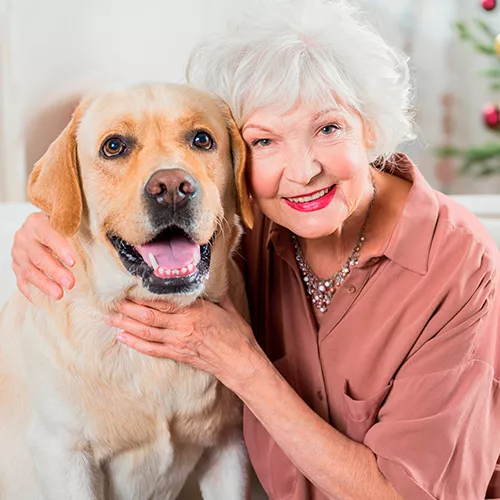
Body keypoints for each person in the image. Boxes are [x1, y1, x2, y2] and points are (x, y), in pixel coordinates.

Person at [10, 1, 500, 498]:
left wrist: (240, 363)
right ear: (239, 158)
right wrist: (43, 226)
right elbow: (125, 197)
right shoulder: (252, 218)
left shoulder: (458, 266)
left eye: (329, 129)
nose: (303, 170)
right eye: (264, 141)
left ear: (370, 128)